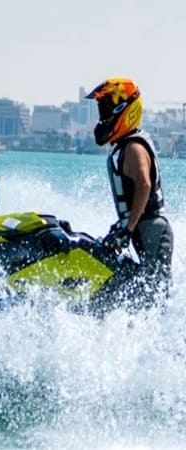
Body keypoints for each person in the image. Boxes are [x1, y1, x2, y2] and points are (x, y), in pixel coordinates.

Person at [86, 77, 173, 295]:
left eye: (106, 109)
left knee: (152, 297)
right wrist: (125, 228)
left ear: (124, 109)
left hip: (151, 230)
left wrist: (128, 228)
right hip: (143, 229)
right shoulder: (125, 145)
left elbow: (144, 184)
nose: (103, 117)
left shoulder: (133, 147)